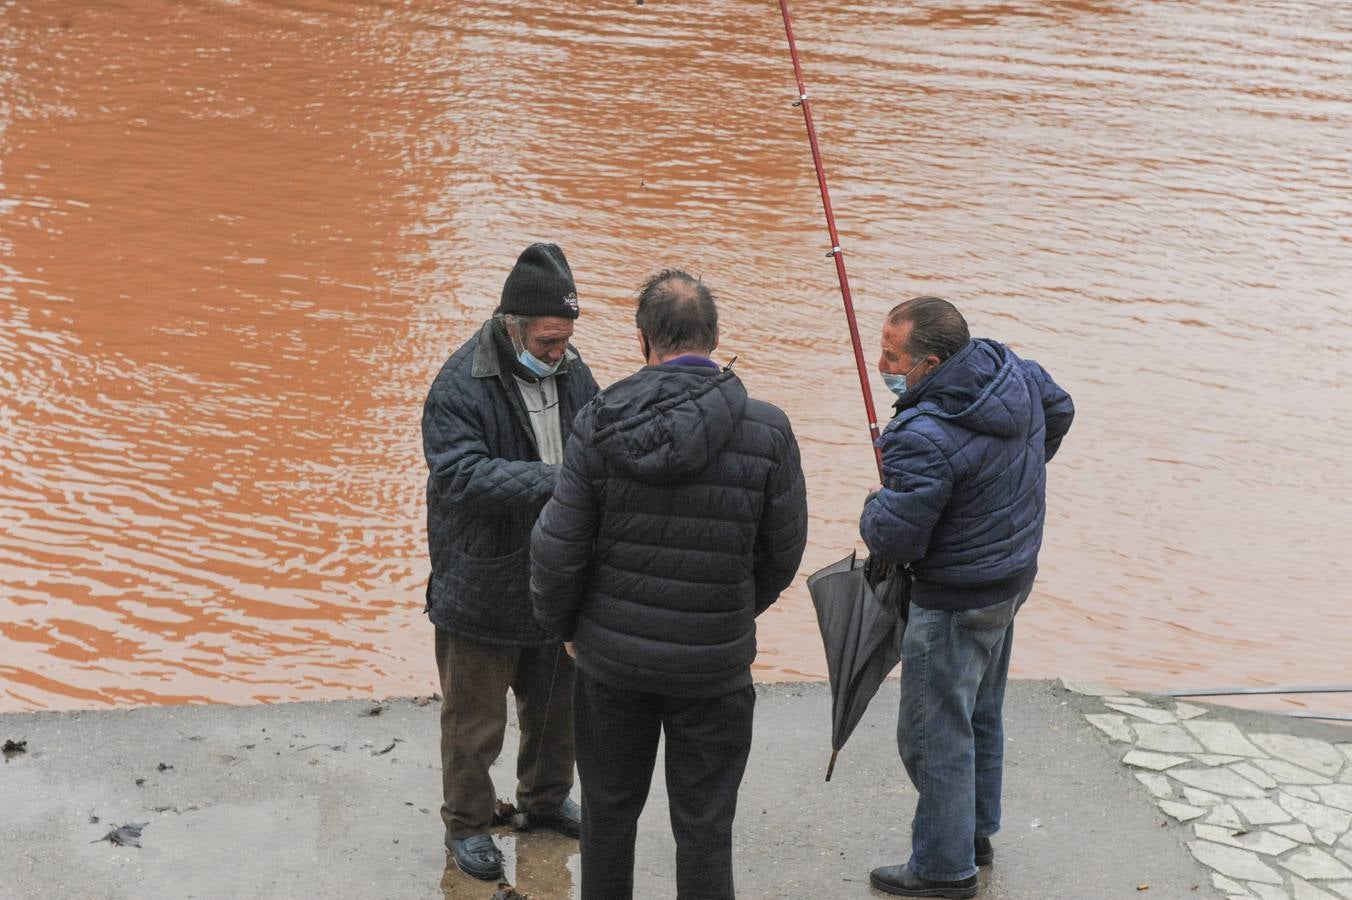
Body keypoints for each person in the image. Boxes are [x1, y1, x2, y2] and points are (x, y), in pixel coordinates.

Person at [530, 270, 809, 900]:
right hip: (714, 667)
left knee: (607, 816)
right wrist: (731, 610)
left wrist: (567, 628)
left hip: (612, 663)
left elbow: (557, 548)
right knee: (706, 825)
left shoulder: (599, 422)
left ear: (642, 341)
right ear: (713, 338)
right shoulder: (768, 429)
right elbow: (782, 552)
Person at [860, 296, 1074, 899]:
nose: (883, 364)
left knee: (933, 731)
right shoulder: (1012, 371)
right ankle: (972, 833)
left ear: (930, 362)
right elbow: (1060, 411)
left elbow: (898, 536)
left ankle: (941, 868)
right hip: (1011, 576)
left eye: (892, 356)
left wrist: (873, 504)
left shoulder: (919, 435)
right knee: (979, 709)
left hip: (955, 595)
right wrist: (1010, 479)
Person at [421, 242, 600, 881]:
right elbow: (459, 475)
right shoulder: (459, 384)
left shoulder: (574, 372)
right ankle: (466, 826)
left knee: (557, 713)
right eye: (548, 340)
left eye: (565, 339)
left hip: (556, 579)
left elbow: (598, 443)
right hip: (481, 586)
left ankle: (545, 801)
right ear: (511, 325)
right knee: (474, 727)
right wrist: (560, 480)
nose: (558, 352)